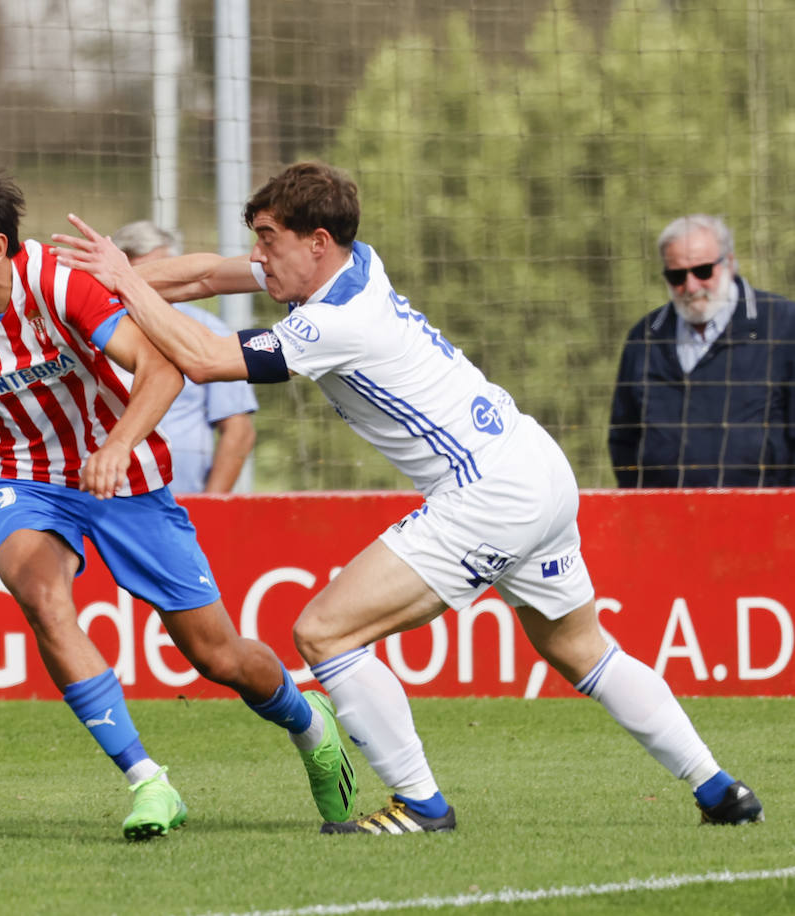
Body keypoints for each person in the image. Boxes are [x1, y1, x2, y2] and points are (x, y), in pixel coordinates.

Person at [52, 161, 764, 834]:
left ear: (318, 242)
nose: (258, 256)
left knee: (324, 632)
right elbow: (205, 274)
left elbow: (206, 359)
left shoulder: (337, 321)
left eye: (268, 241)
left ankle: (421, 804)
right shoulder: (350, 264)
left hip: (488, 491)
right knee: (584, 650)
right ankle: (720, 790)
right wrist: (84, 283)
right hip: (532, 465)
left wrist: (124, 281)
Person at [0, 165, 357, 840]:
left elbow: (161, 369)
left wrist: (118, 444)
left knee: (218, 655)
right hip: (20, 478)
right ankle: (149, 780)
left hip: (125, 477)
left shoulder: (60, 285)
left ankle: (308, 724)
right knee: (41, 595)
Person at [609, 214, 795, 487]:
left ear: (729, 263)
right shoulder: (646, 338)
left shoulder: (783, 325)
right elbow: (624, 439)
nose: (691, 286)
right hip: (666, 517)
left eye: (703, 271)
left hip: (764, 516)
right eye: (677, 276)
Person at [111, 221, 258, 493]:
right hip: (105, 501)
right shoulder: (94, 332)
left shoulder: (207, 330)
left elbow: (238, 430)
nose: (157, 282)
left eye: (165, 269)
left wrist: (212, 504)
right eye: (145, 274)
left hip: (186, 500)